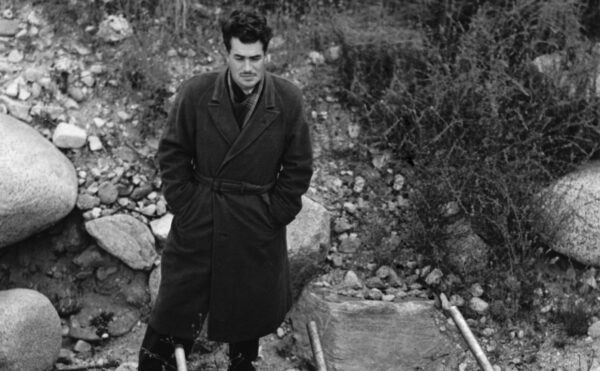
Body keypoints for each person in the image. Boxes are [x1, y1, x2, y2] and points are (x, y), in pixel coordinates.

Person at [138, 8, 313, 371]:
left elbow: (298, 168)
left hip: (255, 224)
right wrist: (187, 203)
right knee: (172, 313)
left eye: (256, 58)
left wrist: (274, 214)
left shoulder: (287, 100)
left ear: (267, 54)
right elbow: (172, 153)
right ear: (226, 54)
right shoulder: (197, 93)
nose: (248, 67)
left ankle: (242, 363)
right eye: (239, 58)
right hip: (201, 216)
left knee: (245, 320)